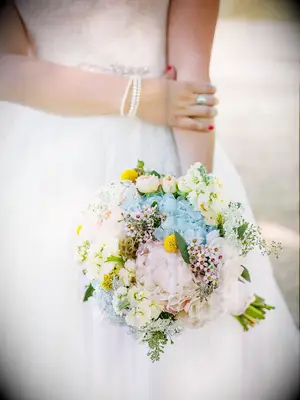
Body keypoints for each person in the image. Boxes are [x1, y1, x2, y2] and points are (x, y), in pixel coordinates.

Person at [0, 1, 298, 399]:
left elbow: (195, 93)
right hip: (50, 168)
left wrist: (196, 212)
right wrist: (137, 96)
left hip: (141, 152)